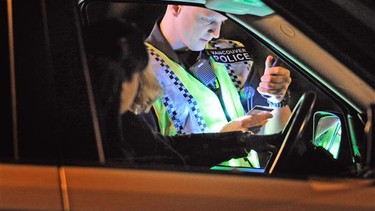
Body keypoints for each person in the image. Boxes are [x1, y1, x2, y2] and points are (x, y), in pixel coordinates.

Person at [84, 18, 278, 167]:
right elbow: (166, 155)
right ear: (121, 79)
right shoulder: (119, 128)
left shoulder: (90, 122)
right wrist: (233, 141)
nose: (216, 32)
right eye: (138, 77)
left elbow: (168, 148)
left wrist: (236, 140)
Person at [143, 5, 292, 136]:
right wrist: (224, 141)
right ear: (176, 6)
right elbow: (145, 158)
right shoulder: (140, 71)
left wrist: (277, 100)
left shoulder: (232, 54)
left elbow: (272, 135)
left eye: (222, 22)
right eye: (209, 20)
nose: (216, 32)